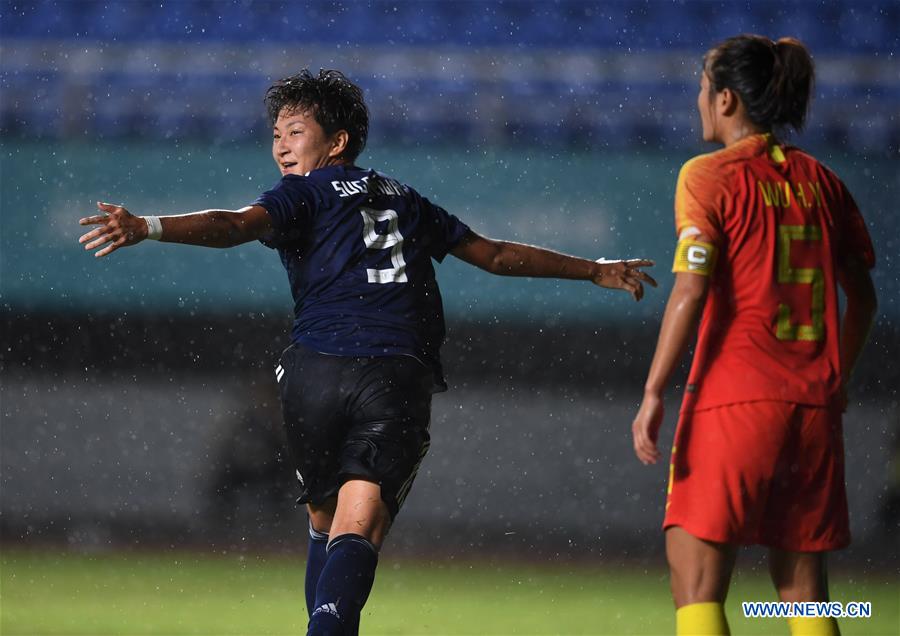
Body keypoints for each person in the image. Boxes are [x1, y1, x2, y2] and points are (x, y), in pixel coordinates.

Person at [78, 69, 656, 636]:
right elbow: (497, 255)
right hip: (391, 374)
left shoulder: (300, 194)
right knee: (358, 529)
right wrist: (594, 270)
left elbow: (233, 225)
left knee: (324, 525)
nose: (280, 146)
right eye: (276, 134)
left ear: (338, 142)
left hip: (313, 374)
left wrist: (149, 226)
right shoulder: (403, 197)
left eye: (295, 132)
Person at [631, 35, 877, 636]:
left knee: (695, 579)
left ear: (727, 100)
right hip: (813, 406)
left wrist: (655, 390)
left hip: (734, 398)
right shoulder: (824, 182)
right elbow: (863, 297)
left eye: (701, 89)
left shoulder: (708, 176)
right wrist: (836, 377)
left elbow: (689, 289)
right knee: (804, 593)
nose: (698, 102)